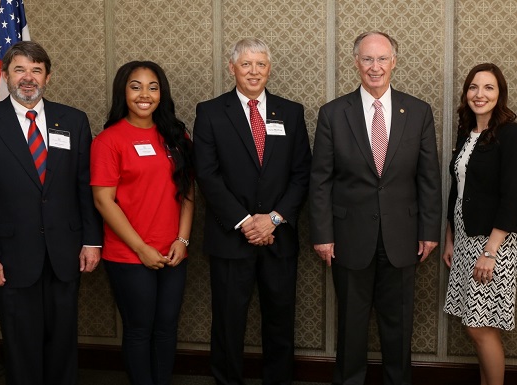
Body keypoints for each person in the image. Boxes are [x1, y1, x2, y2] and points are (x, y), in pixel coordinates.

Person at [0, 41, 103, 385]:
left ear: (48, 77)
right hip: (9, 257)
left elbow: (85, 185)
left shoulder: (74, 120)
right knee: (21, 346)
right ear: (5, 74)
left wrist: (92, 240)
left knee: (63, 342)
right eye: (19, 69)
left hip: (65, 253)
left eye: (36, 70)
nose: (28, 77)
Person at [309, 31, 442, 384]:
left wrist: (429, 231)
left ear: (394, 62)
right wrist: (322, 235)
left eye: (382, 58)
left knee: (398, 325)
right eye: (367, 59)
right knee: (351, 325)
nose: (375, 66)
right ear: (356, 63)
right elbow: (320, 180)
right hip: (348, 236)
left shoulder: (417, 111)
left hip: (403, 236)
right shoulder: (333, 113)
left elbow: (428, 178)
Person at [193, 38, 311, 385]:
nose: (254, 71)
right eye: (246, 64)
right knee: (228, 323)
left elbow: (302, 172)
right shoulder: (211, 112)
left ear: (269, 68)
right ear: (232, 68)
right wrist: (246, 222)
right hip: (231, 238)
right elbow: (207, 175)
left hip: (279, 237)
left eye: (260, 64)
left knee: (280, 320)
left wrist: (273, 218)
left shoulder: (291, 112)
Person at [90, 61, 194, 385]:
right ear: (123, 91)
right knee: (139, 329)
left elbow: (188, 193)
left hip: (173, 251)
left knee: (166, 328)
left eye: (153, 87)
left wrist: (183, 240)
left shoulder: (177, 135)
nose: (144, 94)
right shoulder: (108, 140)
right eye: (136, 86)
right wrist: (141, 249)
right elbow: (103, 201)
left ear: (162, 93)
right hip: (129, 255)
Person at [441, 63, 517, 385]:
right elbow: (458, 192)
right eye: (474, 87)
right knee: (474, 324)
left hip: (495, 244)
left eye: (489, 87)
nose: (480, 94)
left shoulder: (512, 135)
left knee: (480, 326)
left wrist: (490, 251)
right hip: (465, 240)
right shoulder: (468, 134)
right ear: (466, 94)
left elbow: (512, 196)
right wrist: (451, 238)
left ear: (500, 94)